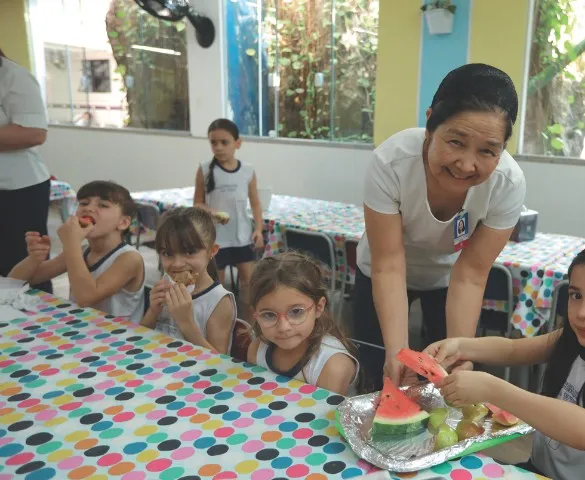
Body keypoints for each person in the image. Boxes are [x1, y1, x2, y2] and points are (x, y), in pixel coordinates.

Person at [354, 63, 526, 389]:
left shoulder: (507, 184)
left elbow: (471, 275)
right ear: (431, 123)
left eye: (488, 150)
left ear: (502, 147)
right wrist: (397, 350)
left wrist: (462, 352)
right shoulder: (390, 163)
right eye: (456, 142)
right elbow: (388, 264)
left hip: (449, 280)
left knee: (445, 379)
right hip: (382, 272)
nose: (466, 164)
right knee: (380, 375)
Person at [425, 248, 585, 480]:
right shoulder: (569, 338)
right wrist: (458, 345)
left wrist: (493, 389)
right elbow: (512, 350)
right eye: (576, 295)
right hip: (539, 470)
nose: (581, 313)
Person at [9, 181, 145, 323]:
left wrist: (71, 243)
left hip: (120, 338)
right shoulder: (82, 251)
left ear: (123, 223)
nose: (89, 209)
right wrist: (34, 258)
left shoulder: (129, 258)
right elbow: (14, 281)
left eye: (103, 205)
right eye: (84, 203)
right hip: (80, 329)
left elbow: (86, 297)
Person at [247, 252, 359, 396]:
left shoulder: (332, 365)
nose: (283, 327)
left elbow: (325, 417)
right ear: (255, 314)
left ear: (319, 307)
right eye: (269, 315)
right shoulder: (256, 350)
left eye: (296, 312)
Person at [194, 118, 264, 317]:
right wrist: (212, 212)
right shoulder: (205, 169)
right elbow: (197, 202)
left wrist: (258, 229)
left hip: (242, 236)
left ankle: (252, 326)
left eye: (224, 142)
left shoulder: (247, 170)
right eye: (213, 143)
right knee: (218, 286)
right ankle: (221, 323)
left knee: (248, 284)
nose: (218, 147)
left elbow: (255, 202)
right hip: (216, 238)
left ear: (237, 143)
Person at [141, 207, 236, 354]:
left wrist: (185, 322)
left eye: (190, 252)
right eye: (167, 253)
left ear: (212, 251)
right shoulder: (166, 286)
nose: (177, 264)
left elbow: (220, 361)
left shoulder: (218, 301)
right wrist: (153, 311)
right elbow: (139, 338)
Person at [0, 48, 52, 293]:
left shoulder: (12, 76)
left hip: (16, 192)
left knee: (25, 266)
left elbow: (34, 132)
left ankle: (39, 328)